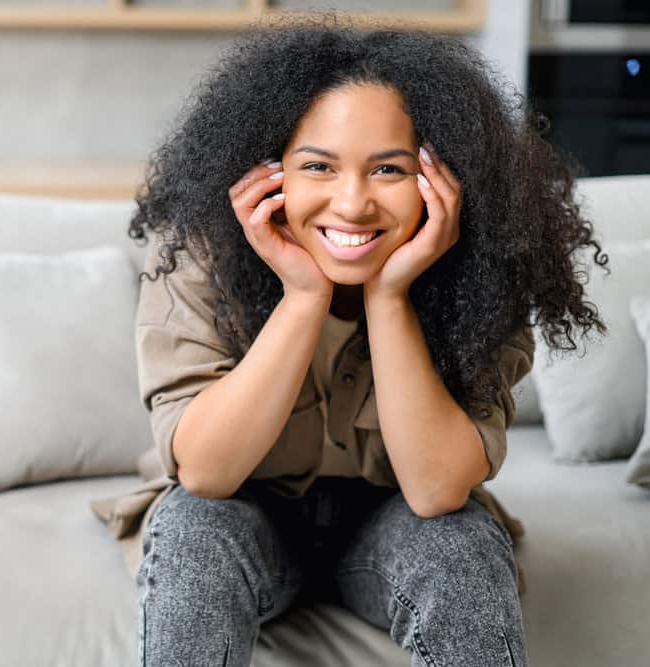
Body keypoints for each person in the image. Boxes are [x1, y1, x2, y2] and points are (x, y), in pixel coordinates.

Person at [88, 12, 608, 667]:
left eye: (388, 170)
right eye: (319, 166)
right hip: (246, 512)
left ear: (437, 180)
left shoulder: (485, 267)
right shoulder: (199, 249)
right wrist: (304, 296)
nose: (354, 203)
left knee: (462, 541)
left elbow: (437, 490)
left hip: (394, 519)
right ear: (268, 172)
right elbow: (207, 470)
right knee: (193, 526)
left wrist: (389, 296)